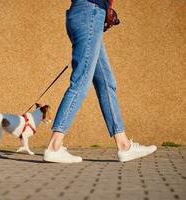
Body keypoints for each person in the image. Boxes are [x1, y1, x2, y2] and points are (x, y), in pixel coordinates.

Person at [43, 0, 157, 163]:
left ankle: (124, 145)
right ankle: (54, 146)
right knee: (81, 81)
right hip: (90, 11)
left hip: (85, 12)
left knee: (106, 82)